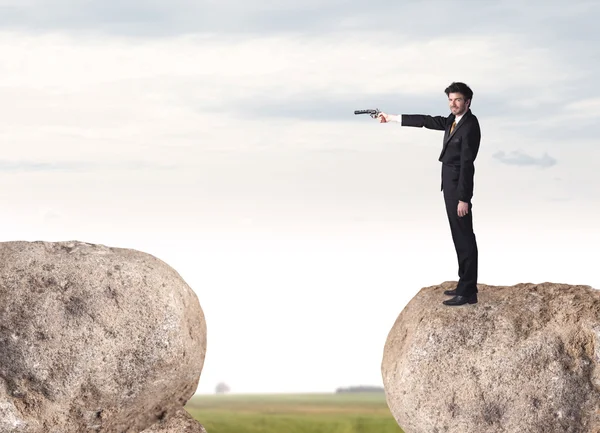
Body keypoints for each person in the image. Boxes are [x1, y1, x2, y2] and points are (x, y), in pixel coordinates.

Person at [377, 82, 480, 306]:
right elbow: (424, 120)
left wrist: (464, 198)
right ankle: (464, 284)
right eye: (450, 100)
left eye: (458, 100)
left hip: (458, 189)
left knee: (464, 236)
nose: (453, 104)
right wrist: (392, 118)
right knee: (458, 235)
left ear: (468, 102)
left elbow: (467, 164)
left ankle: (468, 291)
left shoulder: (470, 126)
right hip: (449, 185)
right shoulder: (453, 121)